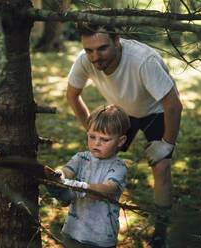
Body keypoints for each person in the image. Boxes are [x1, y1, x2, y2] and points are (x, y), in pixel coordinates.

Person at [66, 23, 183, 248]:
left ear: (117, 40)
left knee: (161, 167)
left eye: (102, 48)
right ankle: (92, 216)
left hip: (155, 111)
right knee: (98, 157)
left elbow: (173, 105)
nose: (95, 56)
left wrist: (167, 144)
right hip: (121, 111)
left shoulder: (143, 61)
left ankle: (160, 230)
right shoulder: (85, 60)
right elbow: (73, 96)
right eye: (89, 50)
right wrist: (93, 133)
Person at [45, 104, 131, 248]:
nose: (97, 143)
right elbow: (67, 171)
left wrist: (78, 187)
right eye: (92, 136)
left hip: (100, 238)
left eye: (105, 139)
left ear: (120, 141)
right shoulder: (81, 158)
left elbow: (107, 190)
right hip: (73, 231)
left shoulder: (118, 167)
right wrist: (58, 176)